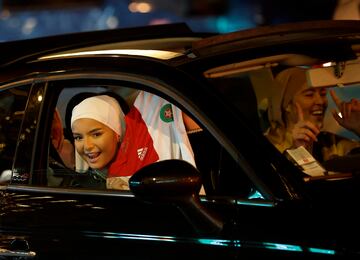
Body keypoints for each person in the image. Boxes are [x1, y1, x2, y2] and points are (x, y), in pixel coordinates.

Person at [71, 91, 196, 190]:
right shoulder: (77, 185)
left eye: (96, 134)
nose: (87, 146)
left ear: (117, 134)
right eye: (78, 137)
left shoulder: (130, 169)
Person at [265, 67, 360, 164]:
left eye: (322, 94)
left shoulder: (331, 142)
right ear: (286, 105)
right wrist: (298, 152)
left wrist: (358, 127)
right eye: (309, 95)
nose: (320, 101)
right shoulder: (265, 145)